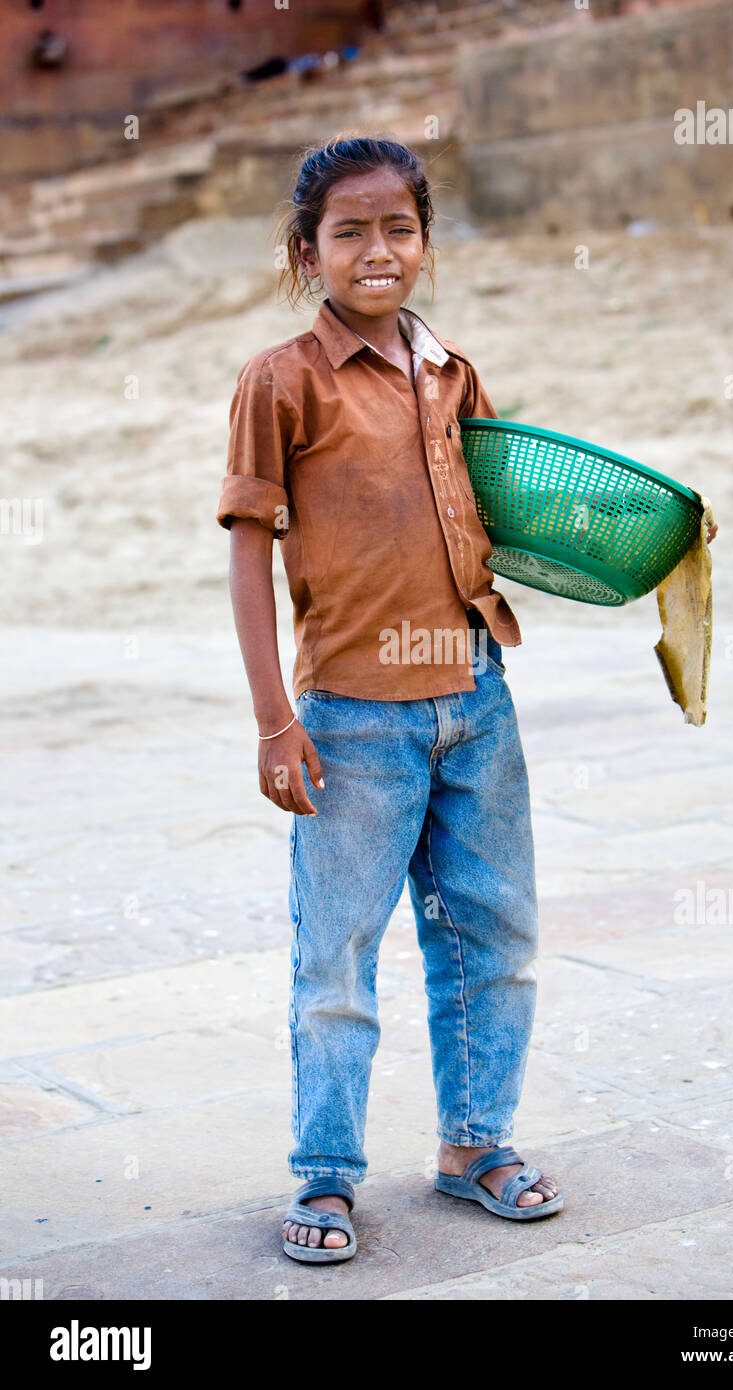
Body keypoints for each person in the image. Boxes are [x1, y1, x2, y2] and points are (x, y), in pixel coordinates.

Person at [217, 135, 564, 1263]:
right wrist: (276, 718)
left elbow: (501, 518)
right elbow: (248, 553)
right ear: (305, 248)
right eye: (349, 230)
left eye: (399, 227)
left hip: (474, 696)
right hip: (351, 717)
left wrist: (643, 545)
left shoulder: (453, 371)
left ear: (424, 239)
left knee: (492, 934)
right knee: (337, 954)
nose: (377, 250)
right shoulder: (280, 380)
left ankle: (475, 1144)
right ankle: (323, 1176)